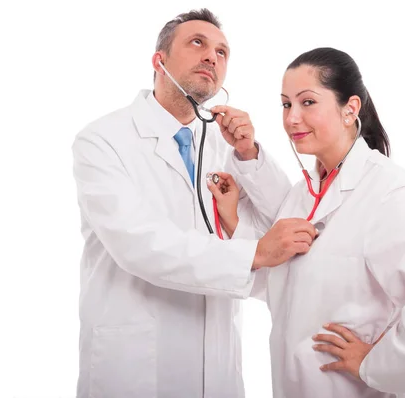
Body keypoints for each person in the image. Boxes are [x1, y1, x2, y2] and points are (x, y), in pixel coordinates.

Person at [71, 9, 316, 398]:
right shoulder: (103, 141)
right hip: (136, 368)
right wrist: (253, 254)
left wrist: (250, 154)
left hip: (216, 368)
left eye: (222, 52)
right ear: (159, 60)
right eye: (197, 43)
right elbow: (139, 245)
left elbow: (290, 220)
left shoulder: (225, 147)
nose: (212, 57)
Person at [213, 47, 405, 398]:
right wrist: (234, 220)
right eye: (286, 104)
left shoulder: (387, 191)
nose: (291, 119)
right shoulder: (305, 194)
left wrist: (377, 363)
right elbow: (284, 284)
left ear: (350, 109)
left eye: (307, 102)